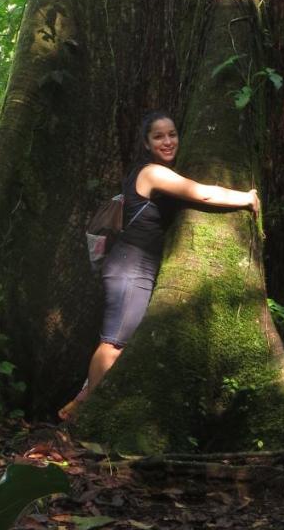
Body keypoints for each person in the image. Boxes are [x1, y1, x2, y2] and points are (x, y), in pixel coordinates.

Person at [58, 110, 259, 419]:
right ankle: (88, 413)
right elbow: (201, 195)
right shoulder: (152, 173)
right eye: (159, 136)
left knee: (120, 339)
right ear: (147, 143)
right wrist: (246, 197)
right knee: (114, 343)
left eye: (172, 134)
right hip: (129, 267)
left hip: (135, 267)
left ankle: (83, 403)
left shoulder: (156, 172)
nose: (168, 141)